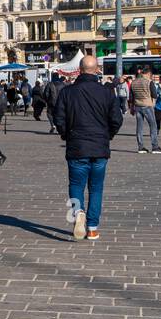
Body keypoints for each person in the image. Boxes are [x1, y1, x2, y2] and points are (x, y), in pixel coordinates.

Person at [52, 54, 122, 241]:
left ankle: (77, 213)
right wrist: (108, 135)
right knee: (96, 188)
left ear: (80, 70)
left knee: (75, 185)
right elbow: (117, 119)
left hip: (76, 146)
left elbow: (58, 118)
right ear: (97, 69)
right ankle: (92, 228)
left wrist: (66, 134)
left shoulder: (67, 92)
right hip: (99, 148)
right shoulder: (107, 92)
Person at [128, 67, 161, 154]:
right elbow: (155, 95)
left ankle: (140, 147)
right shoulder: (149, 82)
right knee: (153, 126)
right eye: (151, 75)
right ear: (148, 74)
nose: (151, 77)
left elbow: (131, 97)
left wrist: (131, 108)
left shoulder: (134, 82)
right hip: (147, 105)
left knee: (139, 127)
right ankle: (155, 147)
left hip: (137, 106)